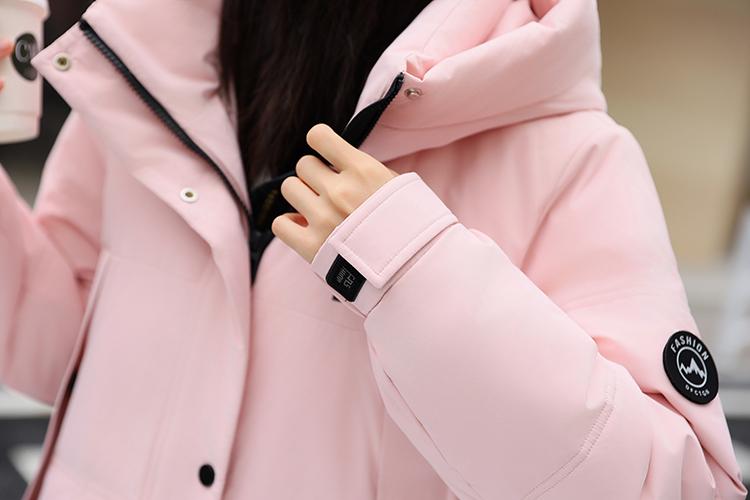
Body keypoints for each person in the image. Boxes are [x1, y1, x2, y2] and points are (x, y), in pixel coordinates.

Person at [0, 0, 747, 498]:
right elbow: (59, 347)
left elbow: (673, 485)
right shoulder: (150, 72)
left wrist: (410, 269)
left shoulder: (568, 153)